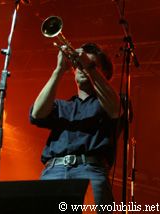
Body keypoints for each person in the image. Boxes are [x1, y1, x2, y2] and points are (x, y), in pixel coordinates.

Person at [30, 43, 122, 211]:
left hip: (90, 171)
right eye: (79, 65)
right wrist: (58, 70)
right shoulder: (60, 106)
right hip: (53, 171)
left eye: (90, 65)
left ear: (105, 73)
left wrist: (89, 66)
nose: (82, 68)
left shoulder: (112, 101)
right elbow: (37, 113)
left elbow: (115, 109)